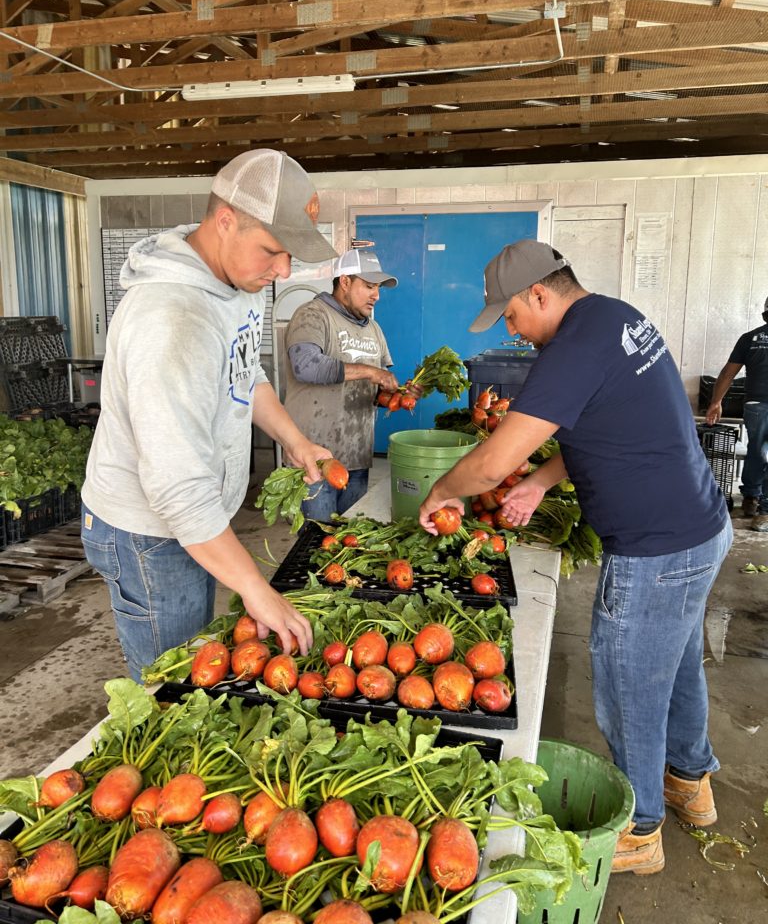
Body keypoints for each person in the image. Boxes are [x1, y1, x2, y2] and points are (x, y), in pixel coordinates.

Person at [418, 239, 732, 875]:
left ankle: (641, 830)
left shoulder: (572, 347)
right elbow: (607, 425)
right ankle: (691, 785)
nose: (512, 330)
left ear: (540, 293)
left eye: (510, 316)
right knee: (673, 669)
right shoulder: (618, 319)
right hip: (699, 527)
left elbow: (493, 461)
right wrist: (541, 481)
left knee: (629, 686)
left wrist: (442, 490)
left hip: (656, 548)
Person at [81, 148, 338, 682]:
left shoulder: (234, 280)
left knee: (197, 661)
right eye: (273, 251)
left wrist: (293, 440)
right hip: (150, 531)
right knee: (171, 688)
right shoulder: (172, 321)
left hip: (195, 523)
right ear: (225, 222)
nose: (283, 271)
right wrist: (256, 590)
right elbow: (177, 489)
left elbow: (244, 373)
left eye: (290, 255)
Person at [283, 248, 403, 520]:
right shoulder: (313, 315)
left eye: (379, 288)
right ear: (345, 282)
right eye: (369, 286)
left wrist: (397, 395)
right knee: (316, 543)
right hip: (315, 459)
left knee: (350, 541)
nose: (377, 295)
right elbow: (306, 367)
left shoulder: (374, 329)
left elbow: (378, 388)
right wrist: (370, 372)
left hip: (358, 456)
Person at [705, 297, 768, 531]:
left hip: (755, 404)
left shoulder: (750, 338)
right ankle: (765, 511)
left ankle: (751, 497)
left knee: (756, 449)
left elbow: (727, 374)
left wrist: (716, 402)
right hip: (759, 404)